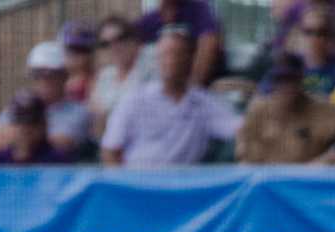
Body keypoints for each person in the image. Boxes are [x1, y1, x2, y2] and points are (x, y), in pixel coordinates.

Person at [100, 22, 236, 162]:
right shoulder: (134, 100)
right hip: (137, 180)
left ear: (190, 59)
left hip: (185, 181)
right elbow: (110, 150)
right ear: (157, 58)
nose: (171, 60)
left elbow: (239, 129)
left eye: (178, 54)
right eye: (165, 54)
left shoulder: (203, 103)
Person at [235, 51, 335, 162]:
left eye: (290, 80)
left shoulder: (324, 109)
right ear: (270, 82)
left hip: (311, 176)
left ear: (300, 80)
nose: (285, 87)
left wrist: (324, 161)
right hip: (268, 176)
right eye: (279, 80)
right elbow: (244, 158)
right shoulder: (257, 111)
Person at [137, 0, 222, 83]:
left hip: (195, 84)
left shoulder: (199, 10)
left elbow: (209, 43)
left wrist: (193, 86)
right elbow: (129, 40)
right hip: (158, 87)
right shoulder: (149, 20)